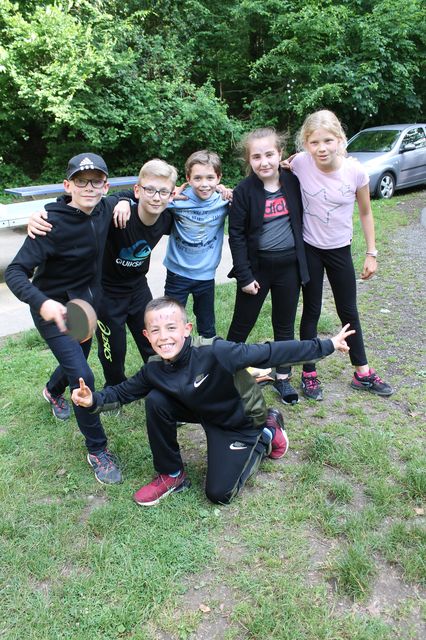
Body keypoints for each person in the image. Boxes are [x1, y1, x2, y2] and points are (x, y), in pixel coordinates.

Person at [71, 296, 355, 506]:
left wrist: (326, 345)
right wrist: (92, 400)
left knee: (219, 494)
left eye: (171, 328)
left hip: (240, 420)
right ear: (146, 335)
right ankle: (172, 474)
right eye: (155, 331)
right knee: (156, 399)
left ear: (187, 329)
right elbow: (122, 393)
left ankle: (268, 431)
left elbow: (270, 352)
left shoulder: (216, 352)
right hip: (204, 411)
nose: (164, 337)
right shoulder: (154, 368)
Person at [5, 152, 134, 485]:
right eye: (81, 181)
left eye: (96, 181)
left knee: (76, 360)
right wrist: (43, 302)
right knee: (82, 375)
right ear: (67, 186)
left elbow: (135, 192)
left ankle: (52, 392)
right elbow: (15, 272)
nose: (89, 187)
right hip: (53, 311)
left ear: (105, 186)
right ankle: (97, 450)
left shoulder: (105, 207)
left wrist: (125, 201)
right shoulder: (49, 223)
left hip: (85, 308)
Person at [289, 109, 393, 400]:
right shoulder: (299, 163)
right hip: (309, 248)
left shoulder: (355, 172)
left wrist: (372, 252)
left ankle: (362, 372)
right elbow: (275, 170)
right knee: (311, 309)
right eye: (314, 142)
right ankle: (309, 372)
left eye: (328, 141)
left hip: (339, 250)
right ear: (305, 144)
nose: (321, 148)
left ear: (340, 140)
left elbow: (366, 212)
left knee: (348, 310)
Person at [226, 127, 309, 405]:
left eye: (270, 154)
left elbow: (320, 166)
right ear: (248, 160)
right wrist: (244, 275)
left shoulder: (293, 181)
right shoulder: (244, 191)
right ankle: (225, 374)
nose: (264, 162)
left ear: (280, 154)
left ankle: (283, 377)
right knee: (241, 325)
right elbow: (236, 236)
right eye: (257, 156)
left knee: (284, 325)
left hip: (289, 268)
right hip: (257, 270)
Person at [164, 150, 230, 338]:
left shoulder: (224, 201)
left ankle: (207, 356)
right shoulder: (177, 200)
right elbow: (145, 201)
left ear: (218, 178)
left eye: (210, 178)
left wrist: (227, 192)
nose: (204, 184)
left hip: (206, 275)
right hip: (177, 273)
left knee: (207, 326)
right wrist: (168, 196)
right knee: (171, 323)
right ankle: (176, 354)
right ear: (188, 178)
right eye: (198, 178)